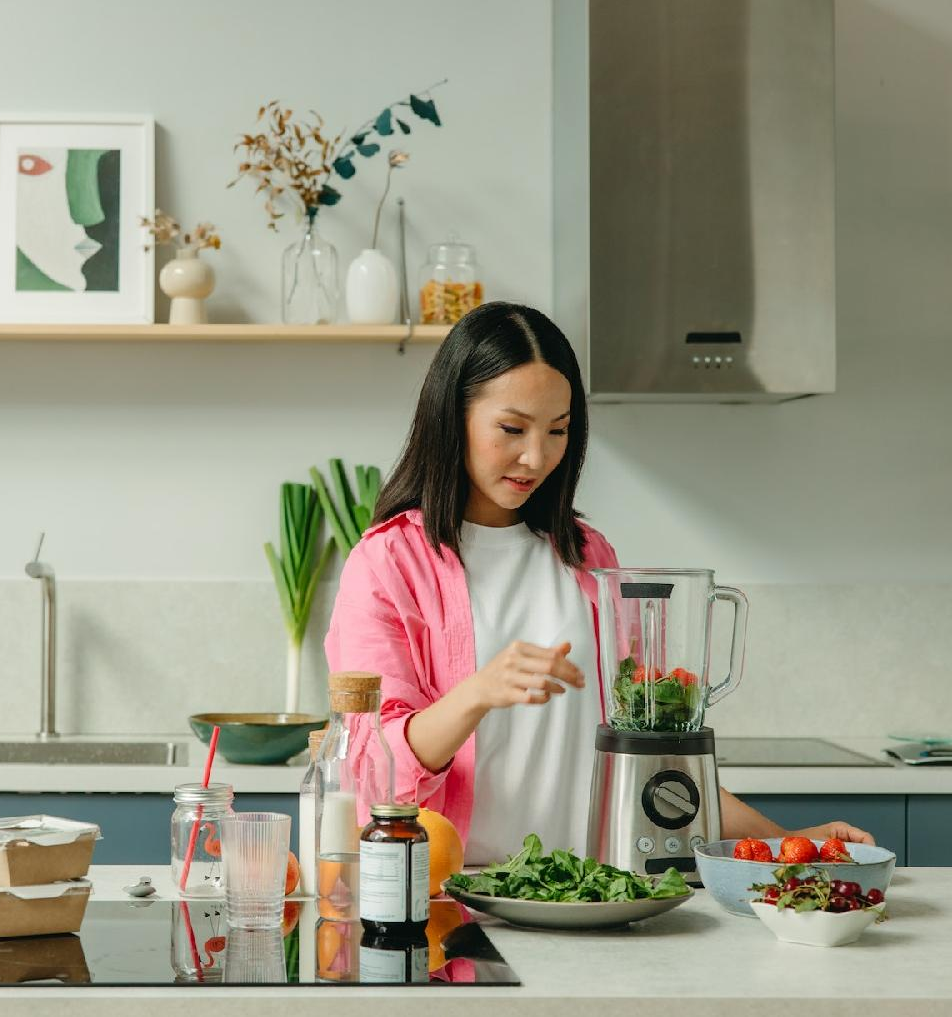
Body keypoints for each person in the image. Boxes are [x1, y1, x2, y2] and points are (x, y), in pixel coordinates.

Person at [324, 302, 874, 862]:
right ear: (452, 417)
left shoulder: (587, 556)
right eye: (511, 428)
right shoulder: (388, 564)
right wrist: (477, 694)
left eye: (557, 431)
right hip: (453, 899)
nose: (536, 457)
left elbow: (651, 758)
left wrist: (790, 840)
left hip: (587, 893)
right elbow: (370, 772)